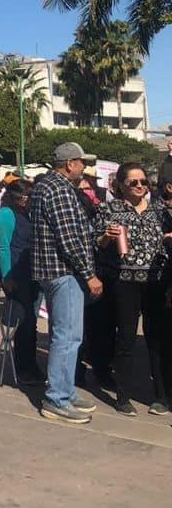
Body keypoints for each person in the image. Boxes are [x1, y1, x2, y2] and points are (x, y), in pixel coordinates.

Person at [29, 142, 101, 424]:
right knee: (67, 337)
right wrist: (89, 274)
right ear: (69, 163)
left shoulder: (47, 186)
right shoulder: (58, 189)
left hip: (54, 271)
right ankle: (57, 398)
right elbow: (69, 238)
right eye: (81, 162)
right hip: (63, 271)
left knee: (67, 335)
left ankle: (65, 391)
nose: (84, 167)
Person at [92, 163, 171, 416]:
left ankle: (161, 395)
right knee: (125, 338)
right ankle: (123, 395)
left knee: (157, 338)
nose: (139, 187)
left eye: (143, 182)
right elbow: (97, 245)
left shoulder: (159, 210)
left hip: (156, 280)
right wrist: (107, 237)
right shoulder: (108, 209)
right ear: (121, 186)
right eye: (133, 183)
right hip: (125, 282)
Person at [0, 179, 43, 385]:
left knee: (32, 321)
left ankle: (31, 364)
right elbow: (3, 247)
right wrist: (7, 277)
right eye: (25, 196)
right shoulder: (6, 214)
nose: (28, 200)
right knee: (24, 322)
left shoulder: (29, 213)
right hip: (15, 273)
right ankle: (24, 368)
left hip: (32, 272)